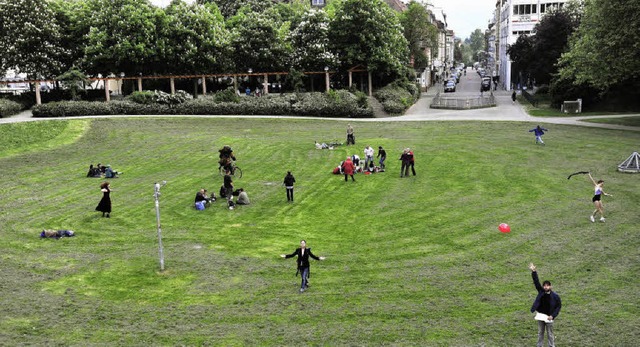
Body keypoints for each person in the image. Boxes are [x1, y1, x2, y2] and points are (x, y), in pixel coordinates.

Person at [529, 263, 561, 347]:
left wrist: (553, 316)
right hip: (540, 316)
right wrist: (534, 272)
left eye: (547, 286)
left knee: (550, 333)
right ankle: (539, 346)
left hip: (549, 317)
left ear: (550, 286)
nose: (546, 287)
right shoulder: (541, 292)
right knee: (540, 333)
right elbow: (536, 282)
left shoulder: (555, 296)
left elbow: (558, 307)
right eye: (544, 286)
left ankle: (551, 345)